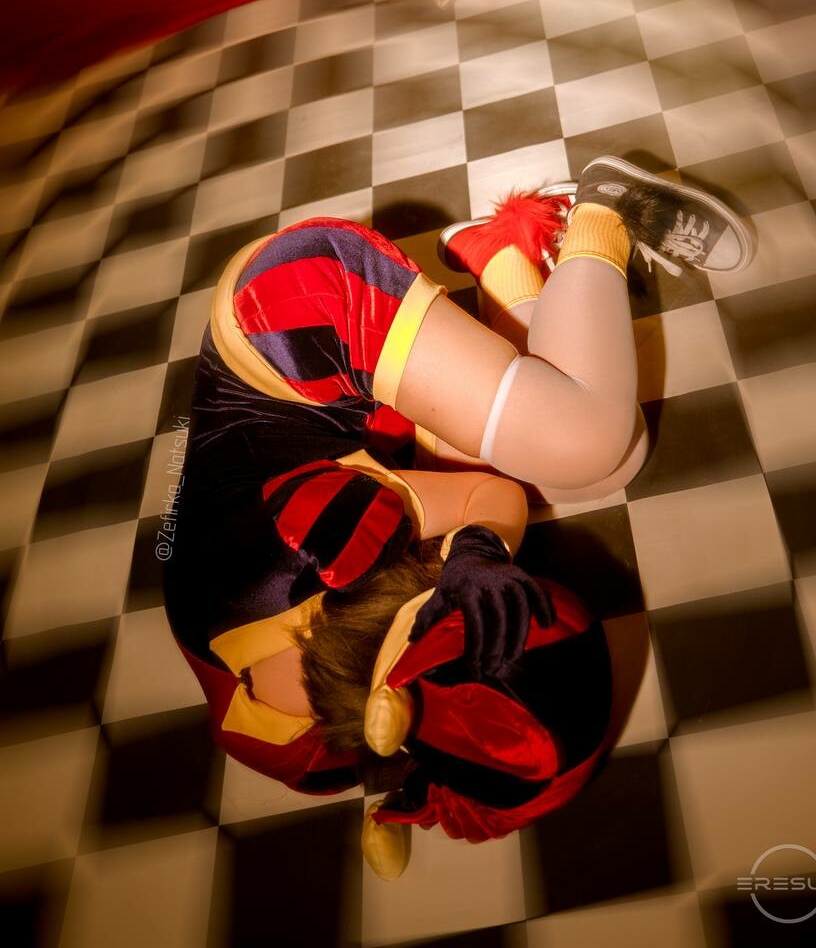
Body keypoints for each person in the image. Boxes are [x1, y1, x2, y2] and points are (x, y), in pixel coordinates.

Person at [163, 155, 753, 876]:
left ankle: (606, 211)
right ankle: (498, 256)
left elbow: (486, 501)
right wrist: (477, 553)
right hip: (358, 438)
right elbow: (487, 507)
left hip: (290, 315)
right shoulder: (331, 732)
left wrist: (475, 550)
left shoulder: (298, 550)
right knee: (614, 460)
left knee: (587, 442)